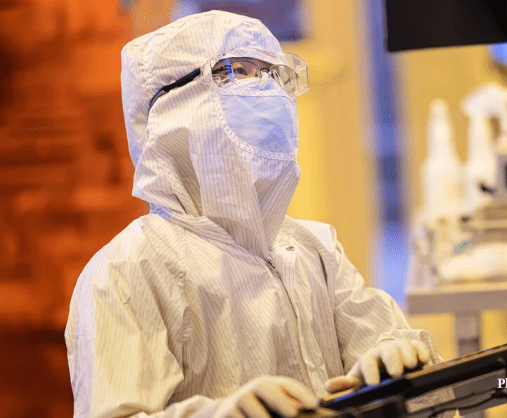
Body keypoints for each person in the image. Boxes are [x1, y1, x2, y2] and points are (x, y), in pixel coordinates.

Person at [66, 10, 451, 418]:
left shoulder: (315, 249)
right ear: (169, 107)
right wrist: (217, 415)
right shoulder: (127, 270)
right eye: (237, 71)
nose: (266, 87)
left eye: (274, 72)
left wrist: (402, 367)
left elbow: (422, 386)